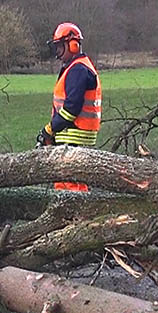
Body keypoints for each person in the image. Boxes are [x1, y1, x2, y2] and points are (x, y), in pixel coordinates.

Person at [36, 22, 101, 191]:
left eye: (59, 47)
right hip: (71, 134)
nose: (57, 52)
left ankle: (74, 216)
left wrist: (50, 129)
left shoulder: (78, 70)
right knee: (70, 181)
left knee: (69, 183)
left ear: (72, 45)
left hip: (74, 134)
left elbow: (71, 108)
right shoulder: (77, 67)